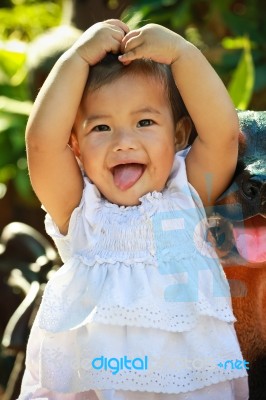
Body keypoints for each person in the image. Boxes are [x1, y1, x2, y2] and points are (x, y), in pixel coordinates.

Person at [18, 19, 249, 400]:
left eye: (145, 122)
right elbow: (41, 144)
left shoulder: (186, 195)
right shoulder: (81, 210)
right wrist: (76, 58)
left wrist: (182, 53)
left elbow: (223, 133)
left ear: (177, 135)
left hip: (189, 386)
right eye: (101, 128)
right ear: (74, 145)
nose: (124, 142)